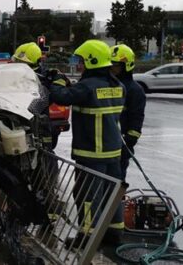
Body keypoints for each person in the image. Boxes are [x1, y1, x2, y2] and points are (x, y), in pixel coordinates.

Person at [48, 39, 125, 246]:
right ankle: (114, 233)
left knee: (87, 196)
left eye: (81, 60)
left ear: (92, 61)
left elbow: (61, 96)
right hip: (113, 152)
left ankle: (87, 237)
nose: (79, 64)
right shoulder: (117, 85)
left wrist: (56, 81)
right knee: (112, 193)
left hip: (92, 154)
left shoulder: (88, 87)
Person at [110, 44, 145, 183]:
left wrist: (129, 141)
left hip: (122, 145)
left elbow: (137, 118)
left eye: (116, 65)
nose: (111, 68)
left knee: (117, 182)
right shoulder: (108, 84)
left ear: (127, 65)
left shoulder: (135, 90)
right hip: (106, 144)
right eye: (110, 64)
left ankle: (117, 204)